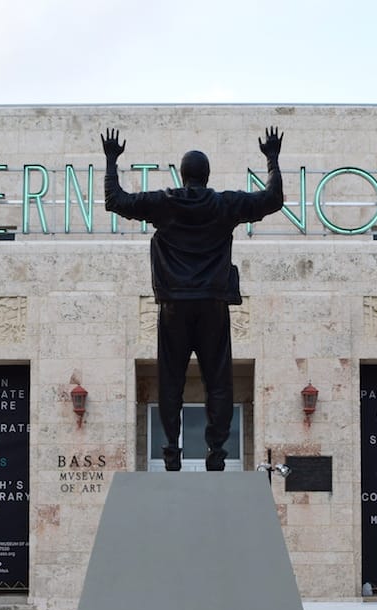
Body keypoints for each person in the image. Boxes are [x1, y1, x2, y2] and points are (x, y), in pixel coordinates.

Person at [103, 126, 285, 470]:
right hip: (212, 305)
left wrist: (112, 159)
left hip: (174, 305)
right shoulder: (225, 204)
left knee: (170, 380)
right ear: (207, 175)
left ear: (182, 175)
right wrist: (272, 159)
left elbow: (116, 200)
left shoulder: (164, 203)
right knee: (218, 380)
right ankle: (217, 454)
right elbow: (272, 199)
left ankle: (171, 452)